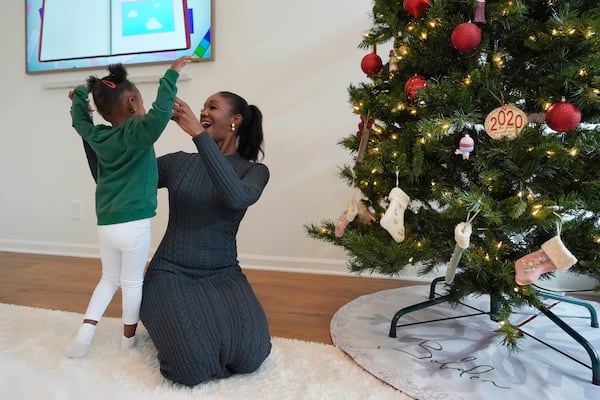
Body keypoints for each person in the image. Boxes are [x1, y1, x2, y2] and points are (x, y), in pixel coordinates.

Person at [81, 91, 272, 386]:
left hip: (223, 274)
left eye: (212, 107)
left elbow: (235, 197)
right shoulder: (179, 163)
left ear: (235, 120)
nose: (204, 112)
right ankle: (164, 315)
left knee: (251, 355)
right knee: (190, 368)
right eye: (202, 108)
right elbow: (108, 176)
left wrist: (197, 132)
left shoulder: (254, 171)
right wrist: (87, 127)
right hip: (171, 272)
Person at [66, 56, 193, 359]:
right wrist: (171, 74)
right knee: (132, 281)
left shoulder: (99, 136)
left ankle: (85, 332)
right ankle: (127, 340)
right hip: (134, 225)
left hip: (106, 223)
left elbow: (80, 122)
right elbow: (163, 110)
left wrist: (81, 96)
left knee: (108, 279)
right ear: (134, 103)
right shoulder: (140, 133)